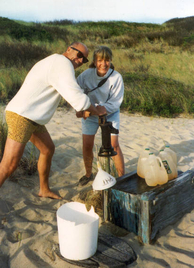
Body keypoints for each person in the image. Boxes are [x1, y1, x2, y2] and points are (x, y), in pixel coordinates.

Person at [0, 42, 104, 199]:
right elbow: (76, 97)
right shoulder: (62, 63)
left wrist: (83, 109)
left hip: (32, 118)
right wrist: (97, 111)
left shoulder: (56, 62)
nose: (80, 60)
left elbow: (73, 94)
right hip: (22, 116)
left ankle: (44, 189)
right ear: (69, 50)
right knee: (9, 165)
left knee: (48, 149)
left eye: (84, 60)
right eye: (79, 55)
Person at [76, 46, 125, 186]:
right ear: (94, 61)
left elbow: (116, 102)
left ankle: (122, 177)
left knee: (114, 145)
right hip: (90, 114)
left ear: (110, 61)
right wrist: (81, 108)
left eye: (107, 60)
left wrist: (100, 109)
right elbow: (76, 93)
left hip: (110, 114)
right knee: (87, 145)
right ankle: (88, 174)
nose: (103, 64)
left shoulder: (116, 77)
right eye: (100, 60)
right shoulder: (86, 75)